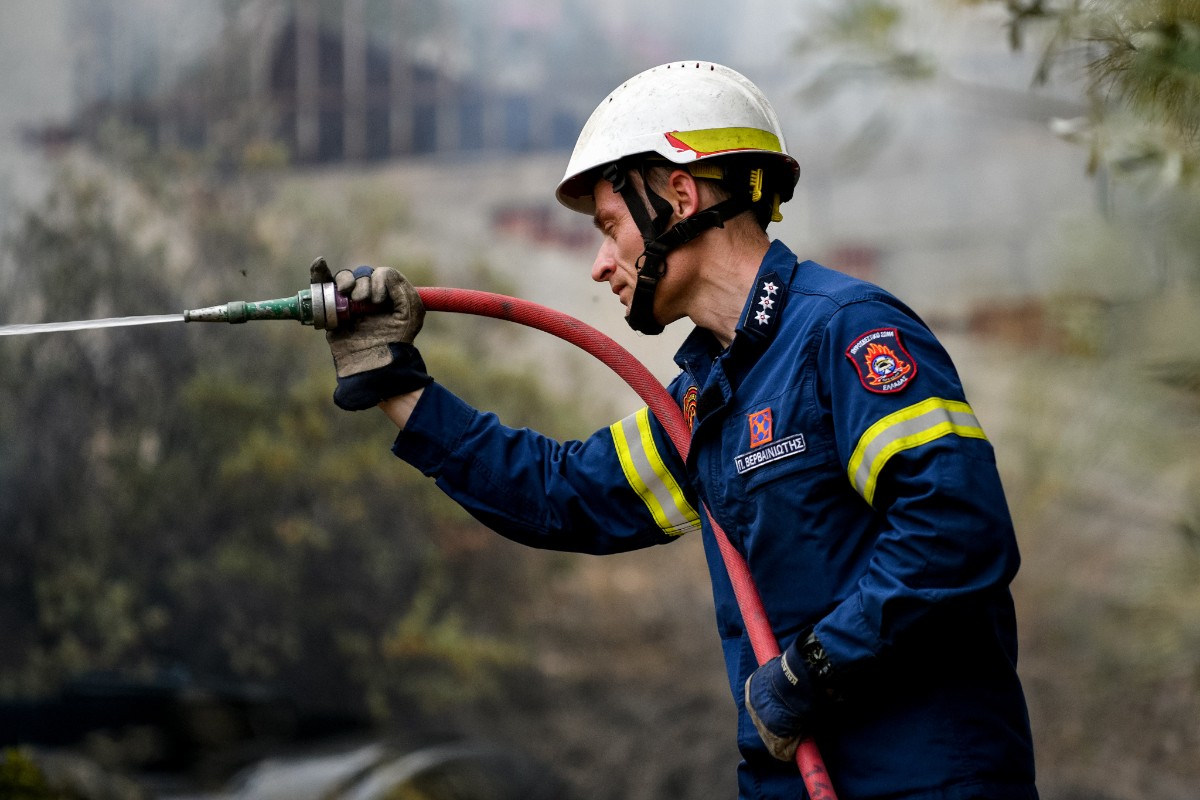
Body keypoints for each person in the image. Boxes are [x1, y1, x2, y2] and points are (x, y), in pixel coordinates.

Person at [313, 61, 1038, 800]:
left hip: (928, 782)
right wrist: (398, 385)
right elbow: (566, 495)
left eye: (609, 227)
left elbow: (956, 531)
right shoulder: (705, 401)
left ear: (679, 196)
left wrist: (811, 670)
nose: (601, 265)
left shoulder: (846, 333)